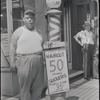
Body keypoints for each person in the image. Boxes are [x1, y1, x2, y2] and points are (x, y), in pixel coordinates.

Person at [10, 9, 44, 100]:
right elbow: (12, 47)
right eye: (27, 18)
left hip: (38, 60)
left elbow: (42, 45)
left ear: (34, 19)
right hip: (24, 61)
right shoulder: (18, 31)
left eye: (32, 18)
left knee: (39, 86)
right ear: (23, 19)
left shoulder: (39, 32)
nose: (30, 20)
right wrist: (12, 62)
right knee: (25, 88)